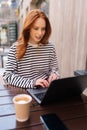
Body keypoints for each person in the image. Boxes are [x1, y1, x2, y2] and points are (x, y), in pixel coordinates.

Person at [3, 9, 60, 89]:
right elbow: (7, 76)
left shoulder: (50, 48)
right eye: (36, 28)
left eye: (43, 29)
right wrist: (32, 83)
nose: (40, 33)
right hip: (23, 93)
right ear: (28, 28)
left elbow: (55, 70)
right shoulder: (15, 48)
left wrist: (54, 75)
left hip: (45, 91)